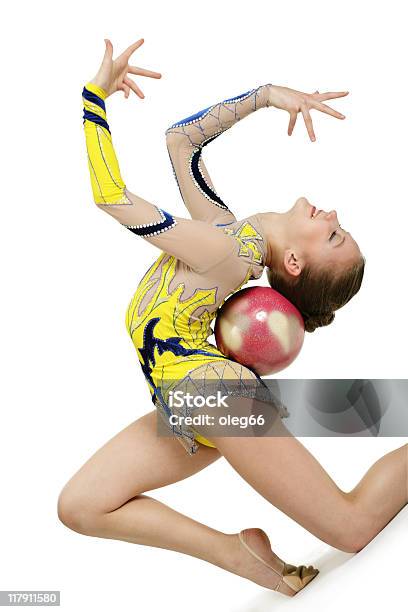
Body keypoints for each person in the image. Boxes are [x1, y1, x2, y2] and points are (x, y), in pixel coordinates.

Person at [57, 38, 407, 597]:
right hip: (183, 402)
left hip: (213, 396)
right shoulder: (224, 231)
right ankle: (236, 552)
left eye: (334, 235)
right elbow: (181, 141)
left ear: (292, 263)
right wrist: (268, 95)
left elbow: (110, 195)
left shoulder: (225, 253)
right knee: (80, 506)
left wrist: (93, 99)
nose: (334, 214)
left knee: (353, 524)